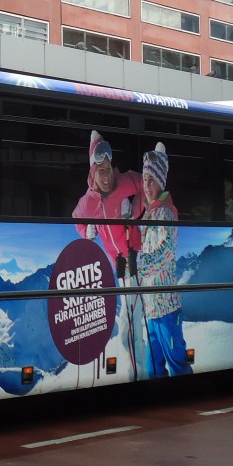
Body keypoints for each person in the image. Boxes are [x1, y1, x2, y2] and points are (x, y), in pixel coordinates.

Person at [72, 130, 147, 378]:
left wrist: (134, 209)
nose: (106, 177)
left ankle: (139, 371)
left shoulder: (123, 182)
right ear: (92, 172)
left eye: (108, 169)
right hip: (119, 265)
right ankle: (137, 366)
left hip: (136, 258)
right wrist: (87, 231)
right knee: (128, 321)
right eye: (100, 171)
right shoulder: (89, 201)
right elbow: (77, 221)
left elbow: (145, 184)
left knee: (132, 320)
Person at [138, 143, 192, 378]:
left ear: (160, 181)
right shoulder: (150, 213)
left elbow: (166, 252)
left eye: (151, 180)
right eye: (144, 179)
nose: (146, 186)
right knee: (153, 368)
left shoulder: (166, 213)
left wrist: (139, 263)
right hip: (152, 307)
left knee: (177, 362)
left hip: (167, 308)